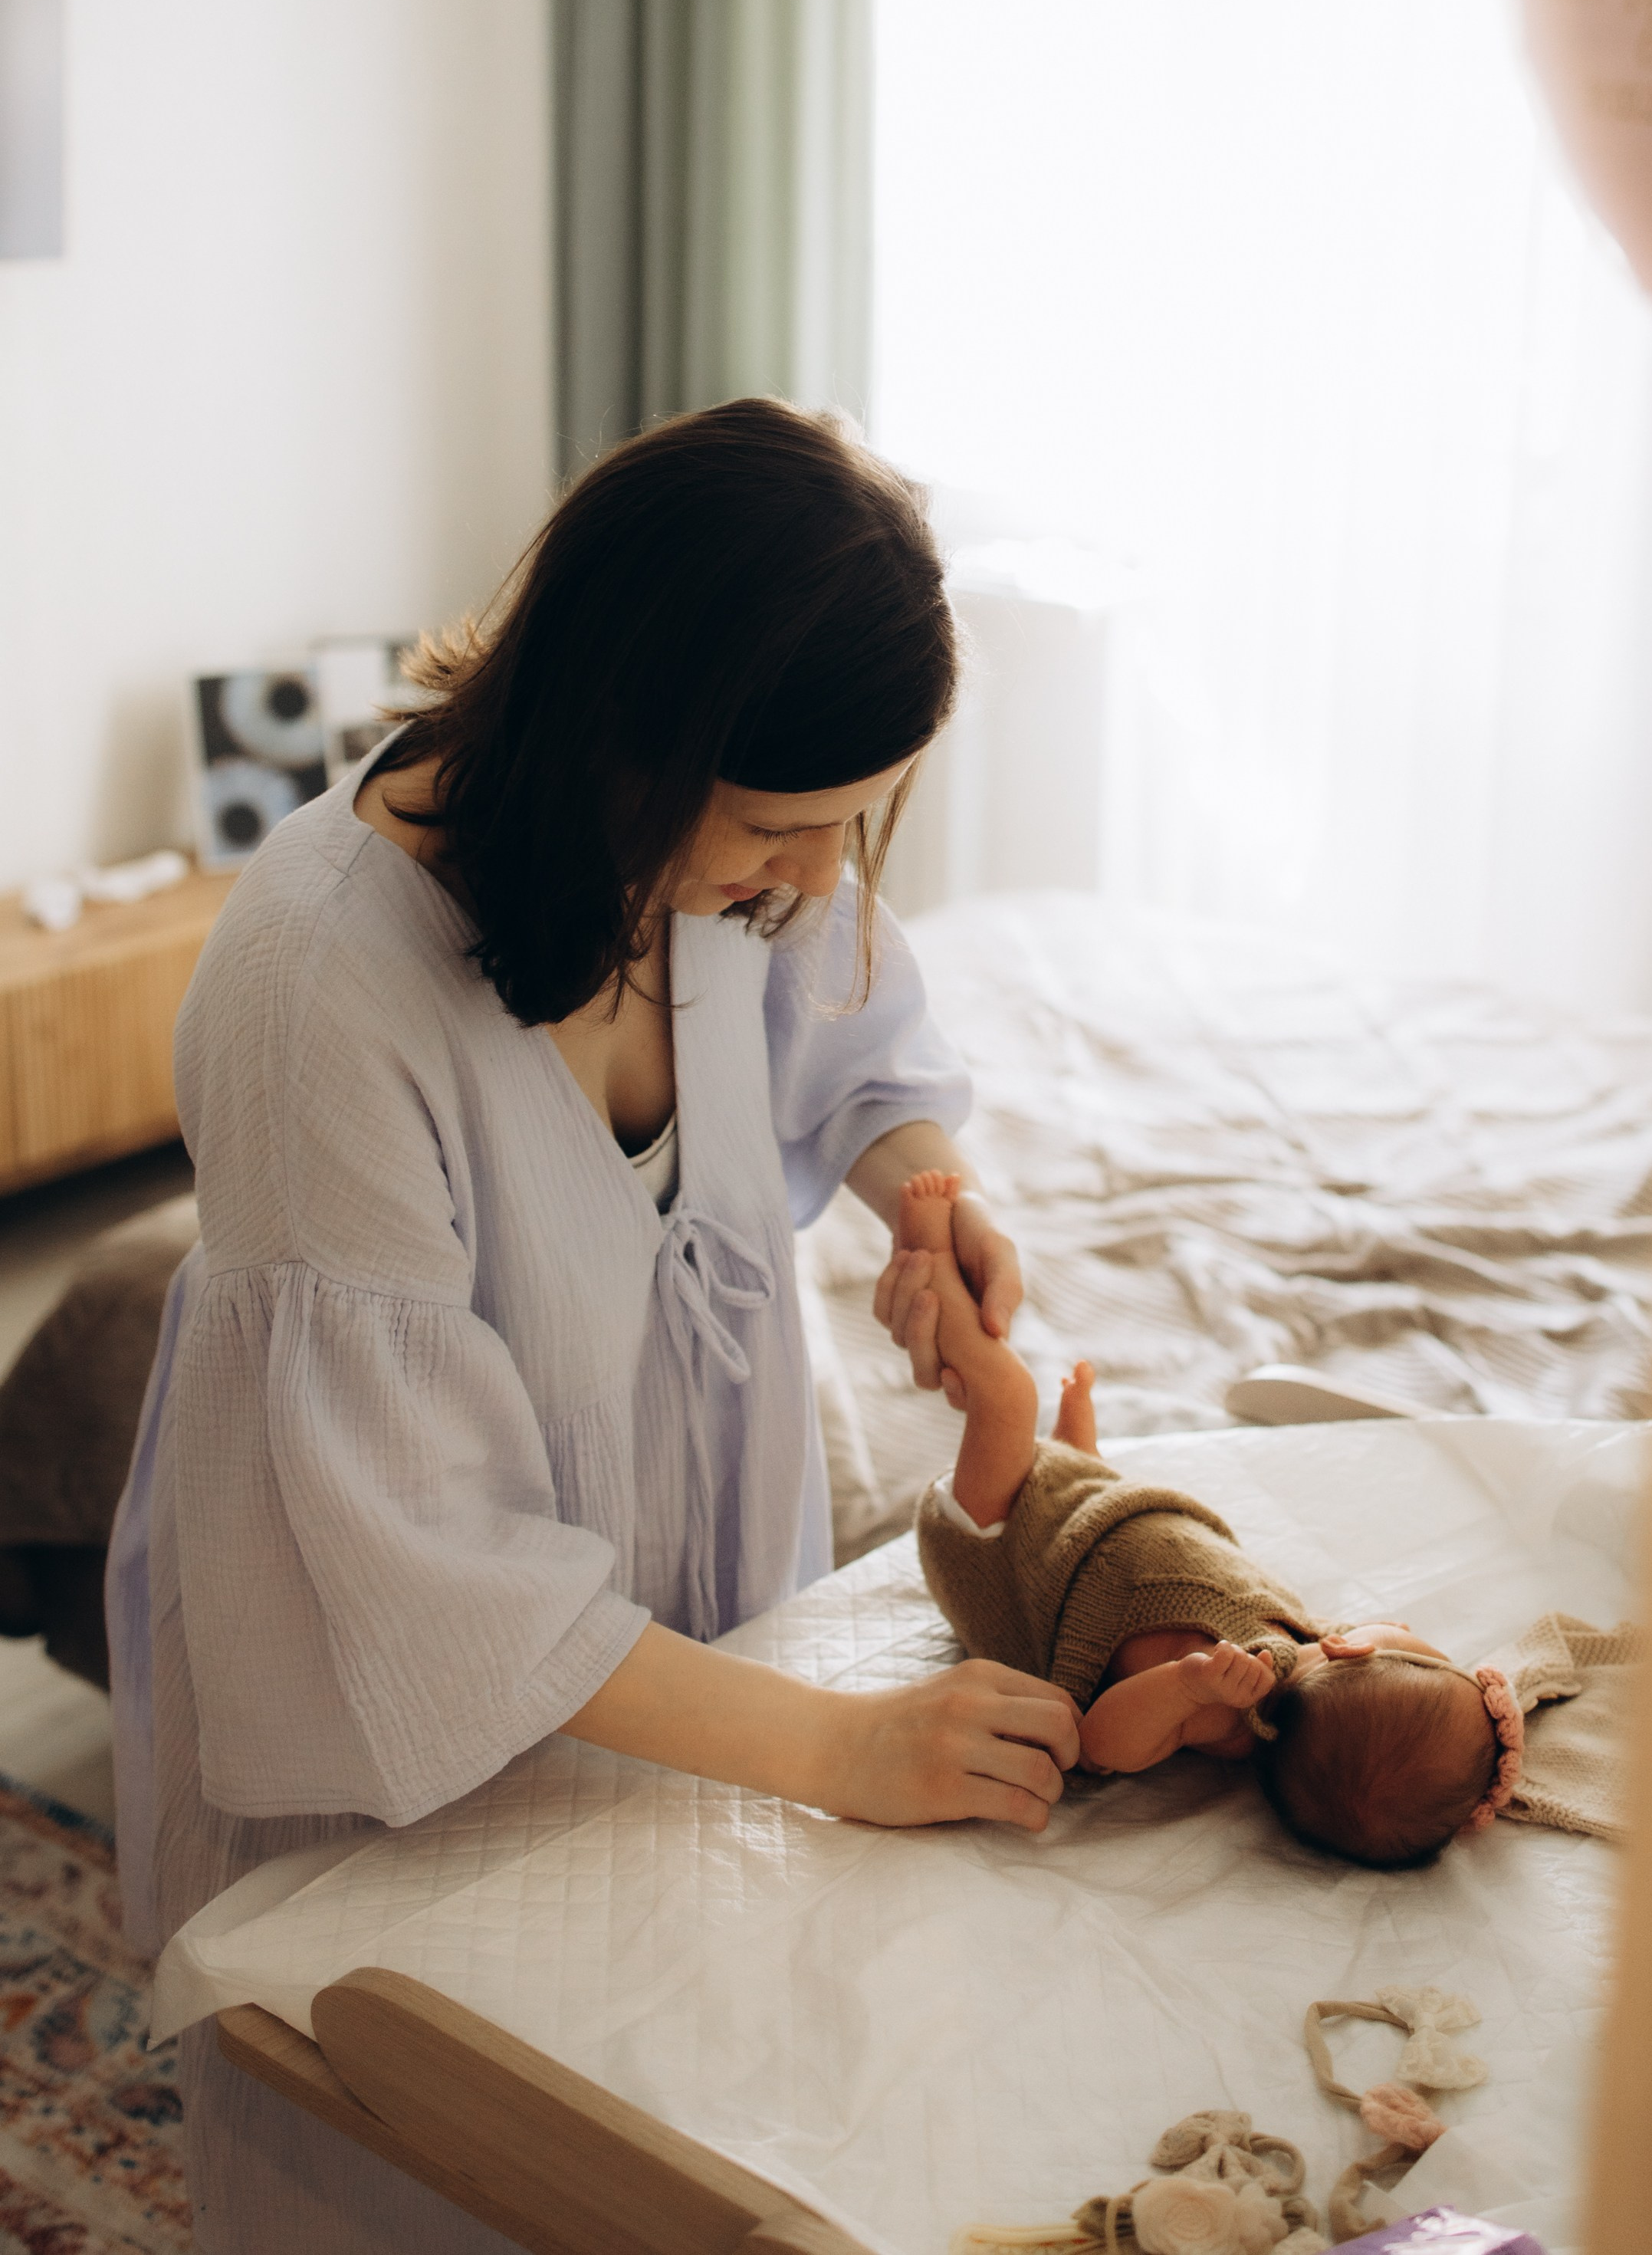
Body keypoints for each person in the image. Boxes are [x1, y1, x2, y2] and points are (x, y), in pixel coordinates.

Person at [105, 402, 1079, 2255]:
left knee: (675, 2161)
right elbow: (439, 1576)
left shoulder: (705, 862)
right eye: (781, 826)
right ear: (633, 728)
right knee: (443, 2186)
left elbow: (855, 1022)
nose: (809, 876)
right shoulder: (321, 986)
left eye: (843, 827)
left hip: (688, 1668)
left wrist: (923, 1187)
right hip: (415, 1753)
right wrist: (845, 1753)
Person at [902, 1171, 1523, 1867]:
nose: (1406, 1626)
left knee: (1004, 1394)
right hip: (1079, 1522)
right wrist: (1086, 1470)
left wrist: (1182, 1684)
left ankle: (925, 1260)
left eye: (1415, 1642)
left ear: (1356, 1650)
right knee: (1093, 1499)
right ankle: (1080, 1460)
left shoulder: (1223, 1712)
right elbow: (1159, 1571)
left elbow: (1102, 1744)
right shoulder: (1287, 1640)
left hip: (993, 1545)